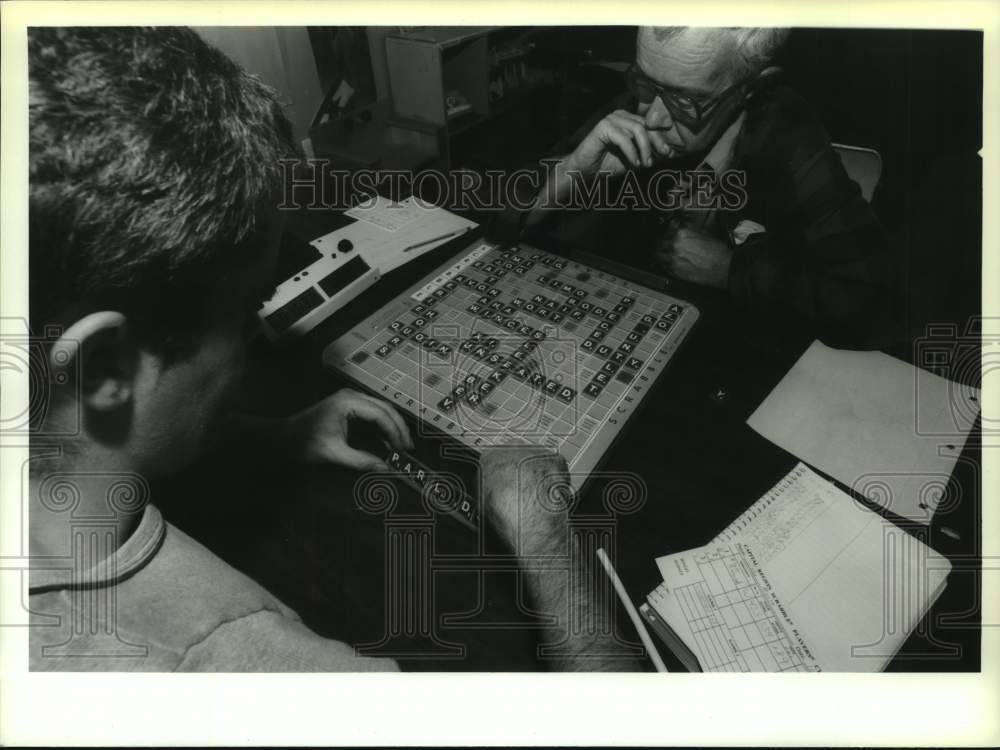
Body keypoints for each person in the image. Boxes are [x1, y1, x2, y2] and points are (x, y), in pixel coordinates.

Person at [27, 27, 640, 672]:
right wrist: (544, 538)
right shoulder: (231, 657)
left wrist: (272, 435)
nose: (252, 342)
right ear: (106, 369)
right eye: (244, 313)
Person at [526, 26, 892, 347]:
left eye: (686, 101)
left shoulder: (787, 132)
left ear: (750, 90)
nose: (652, 118)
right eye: (645, 82)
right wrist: (574, 171)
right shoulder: (642, 102)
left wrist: (728, 268)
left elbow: (868, 300)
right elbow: (501, 223)